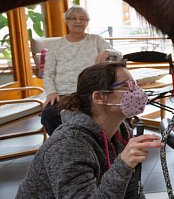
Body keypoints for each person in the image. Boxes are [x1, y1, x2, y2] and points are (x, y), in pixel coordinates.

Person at [17, 61, 163, 198]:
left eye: (135, 85)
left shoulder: (122, 133)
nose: (137, 92)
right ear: (99, 97)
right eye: (126, 86)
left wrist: (126, 167)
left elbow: (131, 193)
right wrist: (123, 165)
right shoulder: (67, 145)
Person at [42, 5, 122, 135]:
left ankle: (100, 142)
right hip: (64, 93)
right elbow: (48, 73)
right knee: (49, 114)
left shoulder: (96, 40)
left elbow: (119, 55)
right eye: (73, 18)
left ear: (87, 22)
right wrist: (51, 92)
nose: (78, 22)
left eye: (82, 19)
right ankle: (62, 143)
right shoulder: (56, 45)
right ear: (66, 21)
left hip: (92, 92)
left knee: (112, 109)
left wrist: (108, 51)